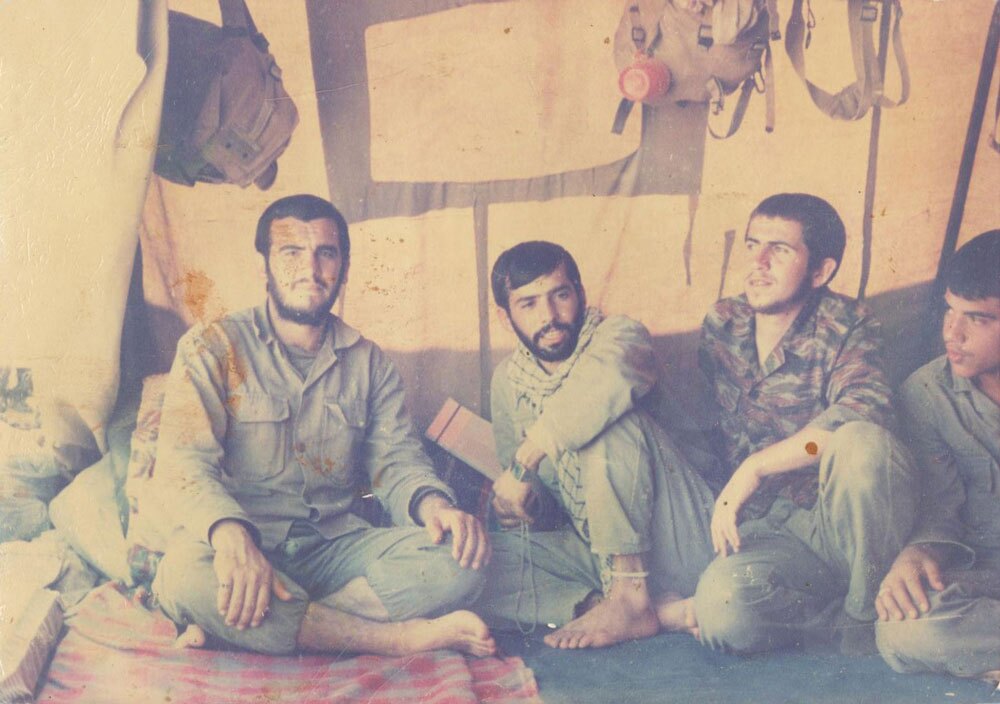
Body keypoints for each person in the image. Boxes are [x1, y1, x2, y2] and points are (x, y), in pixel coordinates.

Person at [150, 194, 495, 658]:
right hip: (240, 544)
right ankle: (396, 639)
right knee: (183, 576)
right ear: (263, 266)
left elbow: (397, 463)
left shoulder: (369, 363)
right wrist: (231, 537)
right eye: (291, 252)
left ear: (344, 269)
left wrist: (436, 507)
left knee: (463, 559)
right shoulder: (210, 347)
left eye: (325, 253)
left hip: (335, 549)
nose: (310, 269)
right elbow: (183, 464)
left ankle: (257, 627)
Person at [688, 193, 918, 654]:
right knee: (723, 613)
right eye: (752, 245)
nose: (759, 262)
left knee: (860, 443)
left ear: (821, 271)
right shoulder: (724, 322)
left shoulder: (849, 325)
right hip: (770, 533)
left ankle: (862, 615)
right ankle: (844, 622)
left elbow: (860, 413)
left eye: (780, 249)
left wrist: (757, 466)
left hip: (839, 526)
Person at [479, 240, 717, 649]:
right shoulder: (508, 381)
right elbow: (543, 499)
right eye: (529, 304)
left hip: (682, 534)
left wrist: (523, 464)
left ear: (581, 294)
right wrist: (524, 505)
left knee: (604, 422)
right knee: (478, 567)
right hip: (596, 550)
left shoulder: (621, 335)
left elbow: (597, 393)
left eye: (560, 295)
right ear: (505, 317)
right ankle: (626, 609)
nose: (549, 316)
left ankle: (630, 599)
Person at [875, 230, 1000, 685]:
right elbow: (940, 510)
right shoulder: (927, 394)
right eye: (949, 311)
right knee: (903, 625)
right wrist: (917, 553)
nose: (952, 333)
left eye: (977, 318)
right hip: (987, 573)